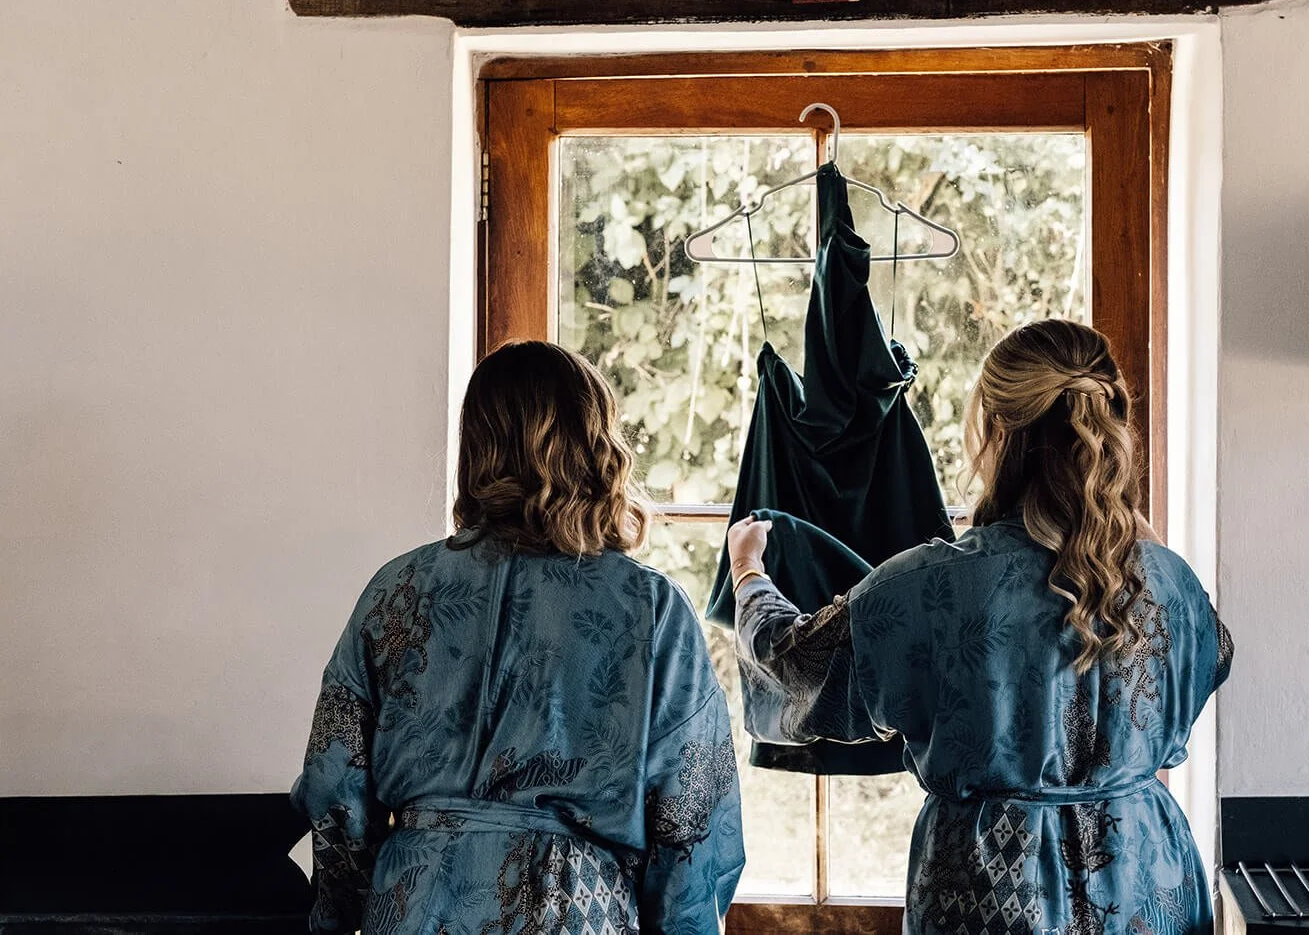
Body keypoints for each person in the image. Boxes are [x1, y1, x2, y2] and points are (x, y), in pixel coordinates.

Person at [726, 319, 1232, 935]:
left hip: (991, 889)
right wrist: (1119, 515)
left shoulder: (928, 584)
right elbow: (1215, 656)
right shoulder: (1169, 582)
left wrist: (748, 571)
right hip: (1149, 881)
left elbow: (793, 663)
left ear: (995, 431)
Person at [293, 341, 744, 935]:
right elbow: (693, 819)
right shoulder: (650, 608)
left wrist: (337, 915)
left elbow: (335, 787)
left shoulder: (394, 591)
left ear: (476, 446)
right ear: (595, 445)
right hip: (573, 909)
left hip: (413, 905)